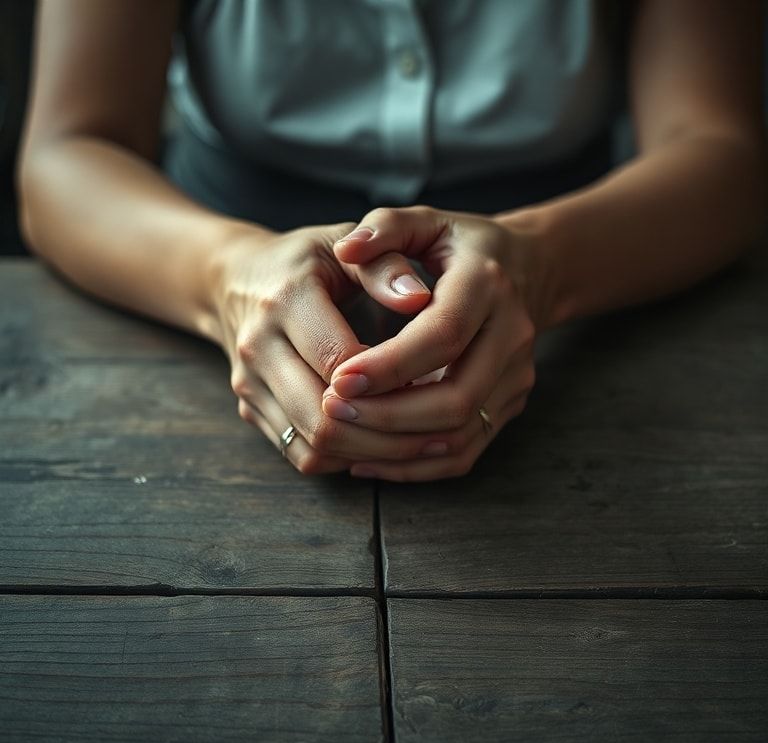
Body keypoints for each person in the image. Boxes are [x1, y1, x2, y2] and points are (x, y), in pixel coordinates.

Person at [17, 0, 766, 482]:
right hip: (184, 262)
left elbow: (721, 150)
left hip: (600, 260)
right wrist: (226, 275)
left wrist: (540, 264)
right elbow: (69, 151)